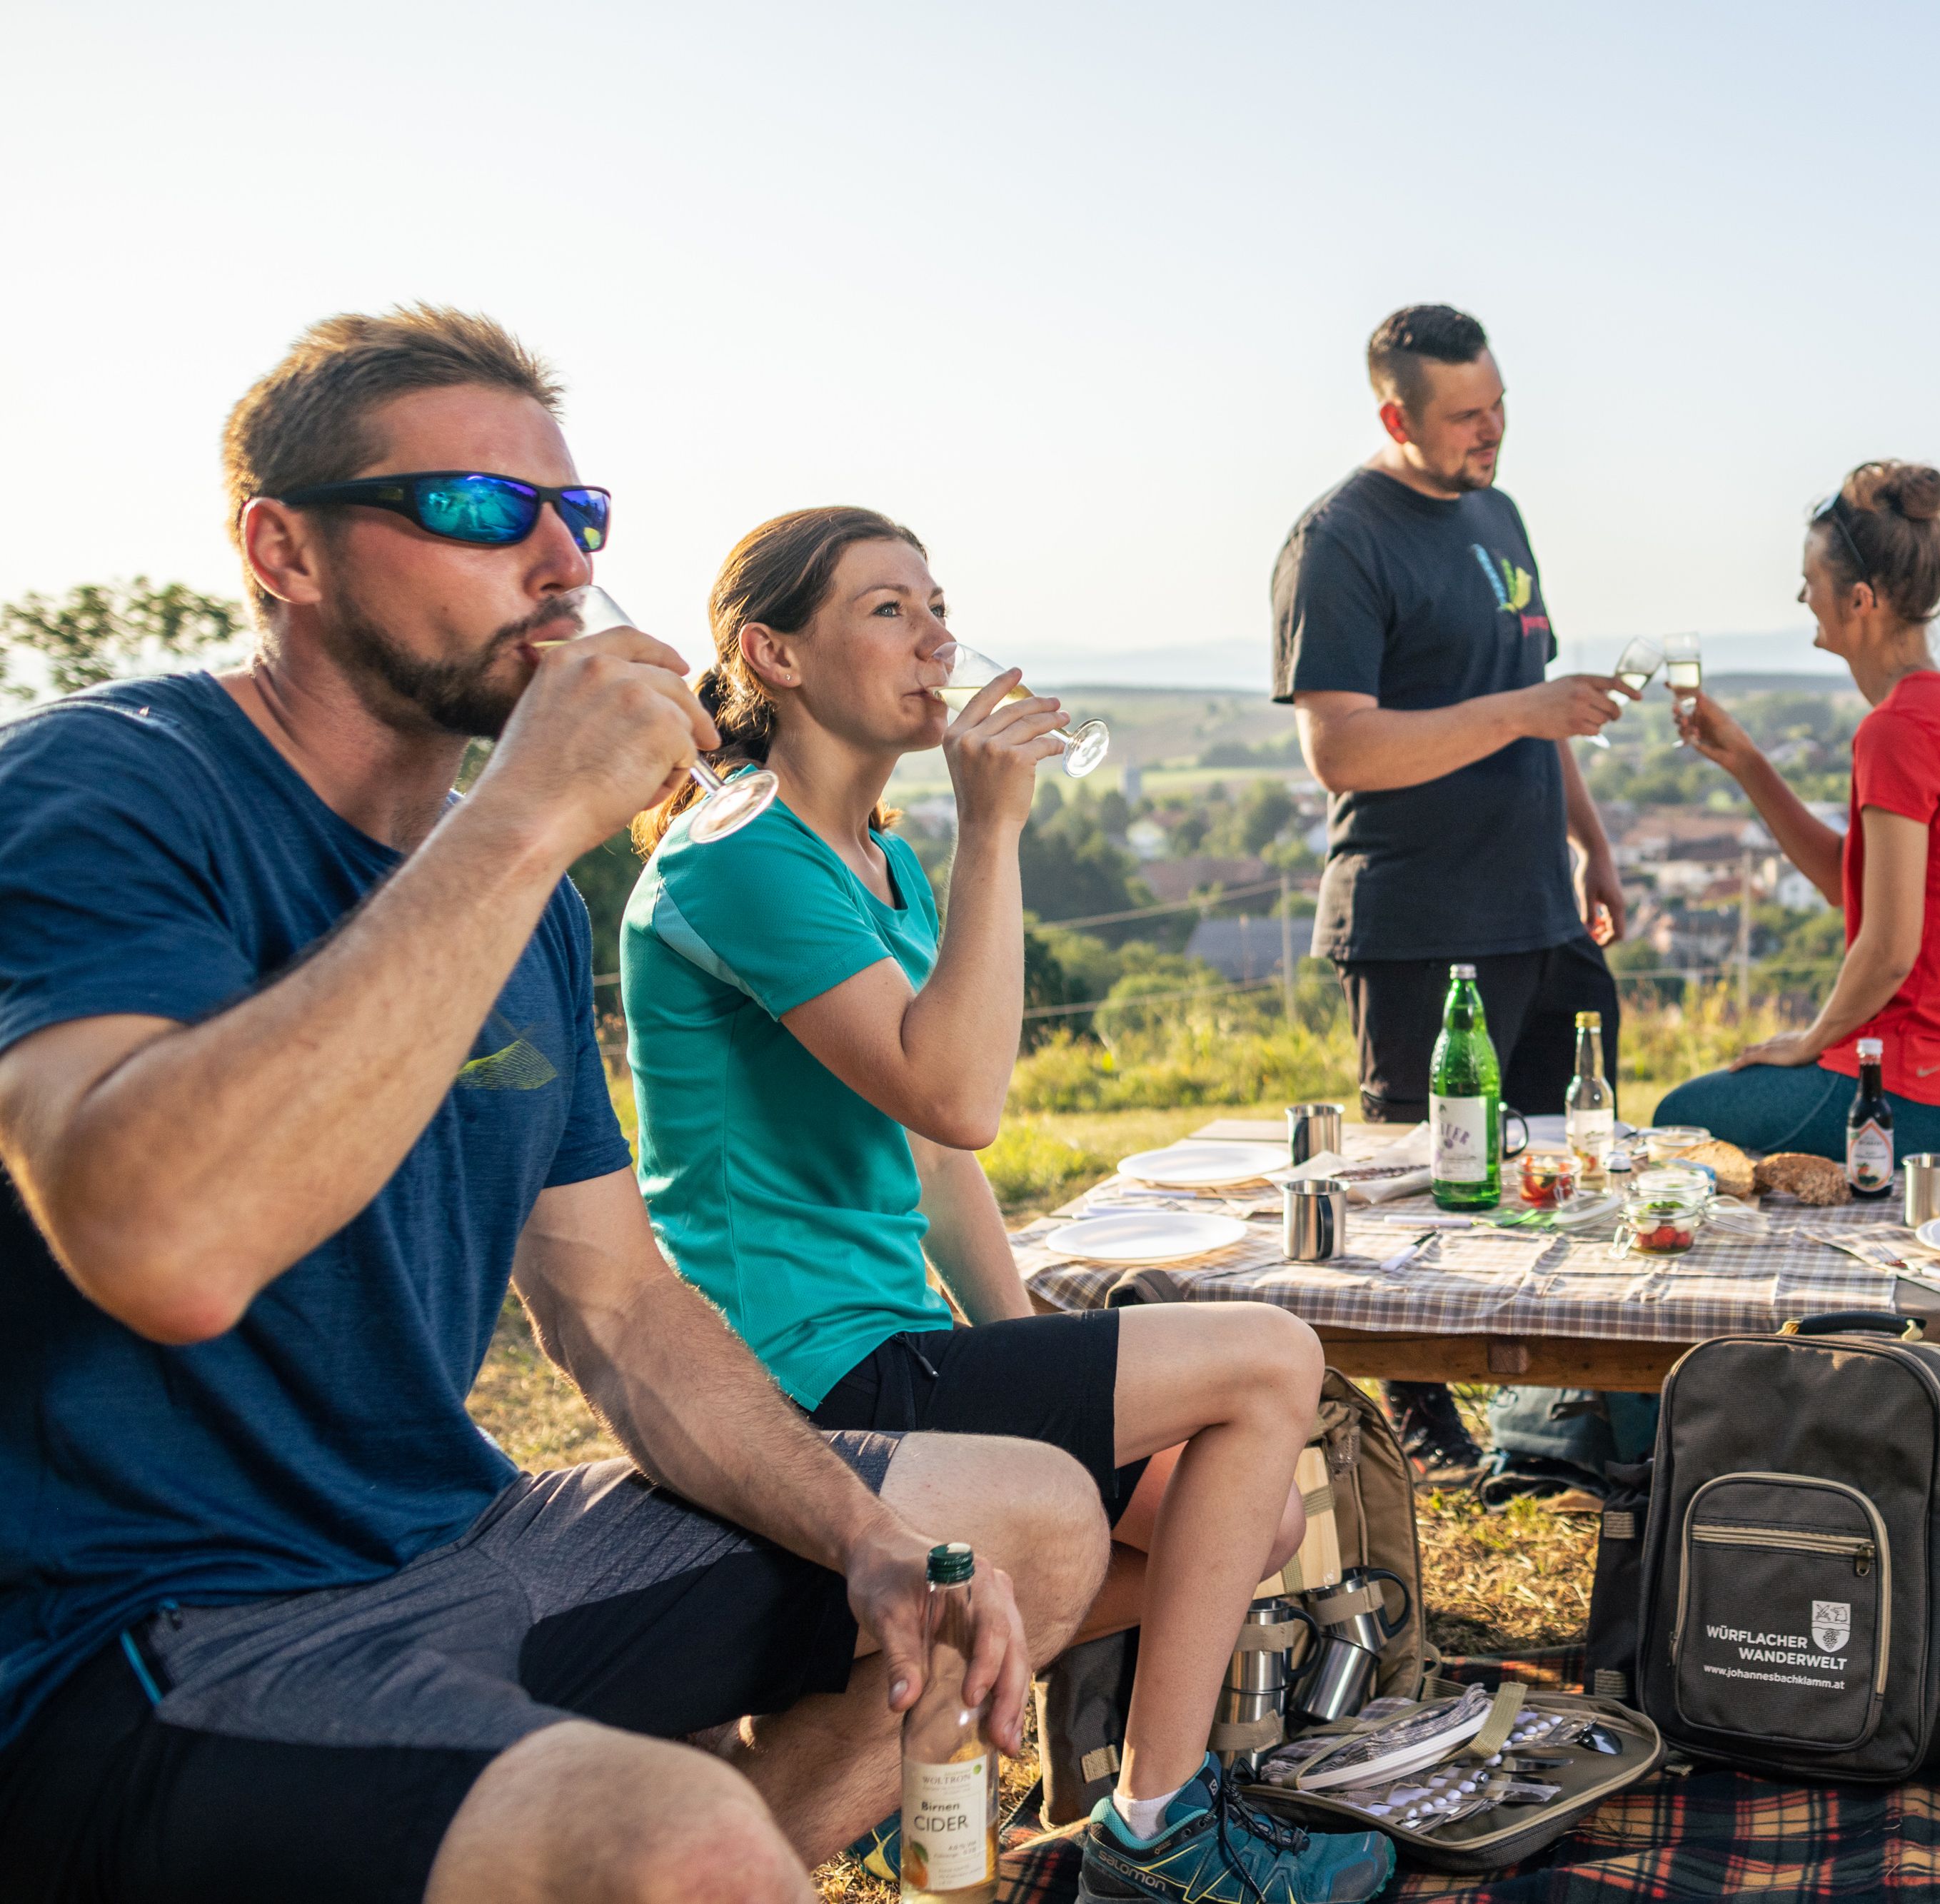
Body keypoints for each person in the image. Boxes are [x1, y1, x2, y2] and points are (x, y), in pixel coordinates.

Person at [0, 307, 1115, 1904]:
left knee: (1016, 1519)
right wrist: (525, 811)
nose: (555, 561)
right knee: (677, 1839)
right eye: (472, 508)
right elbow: (157, 1240)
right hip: (149, 1621)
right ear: (283, 551)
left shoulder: (522, 903)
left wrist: (859, 1535)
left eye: (576, 517)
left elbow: (614, 1308)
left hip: (453, 1535)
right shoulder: (106, 792)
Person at [619, 507, 1390, 1904]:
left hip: (898, 1336)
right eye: (888, 612)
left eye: (937, 605)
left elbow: (933, 1161)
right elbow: (960, 1093)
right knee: (1272, 1355)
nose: (938, 641)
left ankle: (876, 1712)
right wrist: (993, 830)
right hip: (797, 1369)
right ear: (772, 654)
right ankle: (1160, 1827)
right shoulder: (734, 855)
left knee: (1245, 1514)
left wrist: (1037, 1353)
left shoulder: (875, 862)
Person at [1272, 303, 1634, 1481]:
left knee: (1567, 1163)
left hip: (1539, 898)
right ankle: (1414, 1415)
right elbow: (1344, 752)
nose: (1491, 434)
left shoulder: (1499, 511)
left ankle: (1550, 1422)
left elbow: (1536, 697)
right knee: (1420, 1176)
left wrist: (1591, 842)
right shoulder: (1339, 539)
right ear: (1396, 415)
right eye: (1466, 416)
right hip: (1418, 917)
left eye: (1499, 408)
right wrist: (1526, 713)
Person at [1656, 460, 1940, 1159]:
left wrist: (1812, 1040)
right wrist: (1747, 762)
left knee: (1680, 1120)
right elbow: (1844, 882)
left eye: (1811, 581)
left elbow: (1888, 950)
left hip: (1909, 1092)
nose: (1802, 596)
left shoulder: (1897, 730)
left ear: (1860, 600)